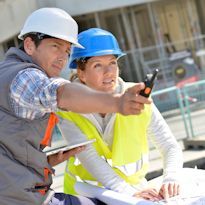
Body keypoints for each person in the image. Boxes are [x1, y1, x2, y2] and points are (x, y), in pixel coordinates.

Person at [0, 8, 151, 205]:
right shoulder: (24, 77)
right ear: (29, 45)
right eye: (56, 46)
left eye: (67, 50)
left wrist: (43, 161)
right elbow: (61, 93)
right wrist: (117, 102)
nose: (63, 57)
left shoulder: (6, 72)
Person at [57, 28, 183, 202]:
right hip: (84, 196)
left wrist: (171, 177)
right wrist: (127, 192)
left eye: (113, 62)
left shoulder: (138, 98)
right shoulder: (67, 109)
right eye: (98, 65)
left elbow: (169, 146)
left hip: (132, 195)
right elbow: (89, 158)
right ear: (81, 73)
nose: (109, 72)